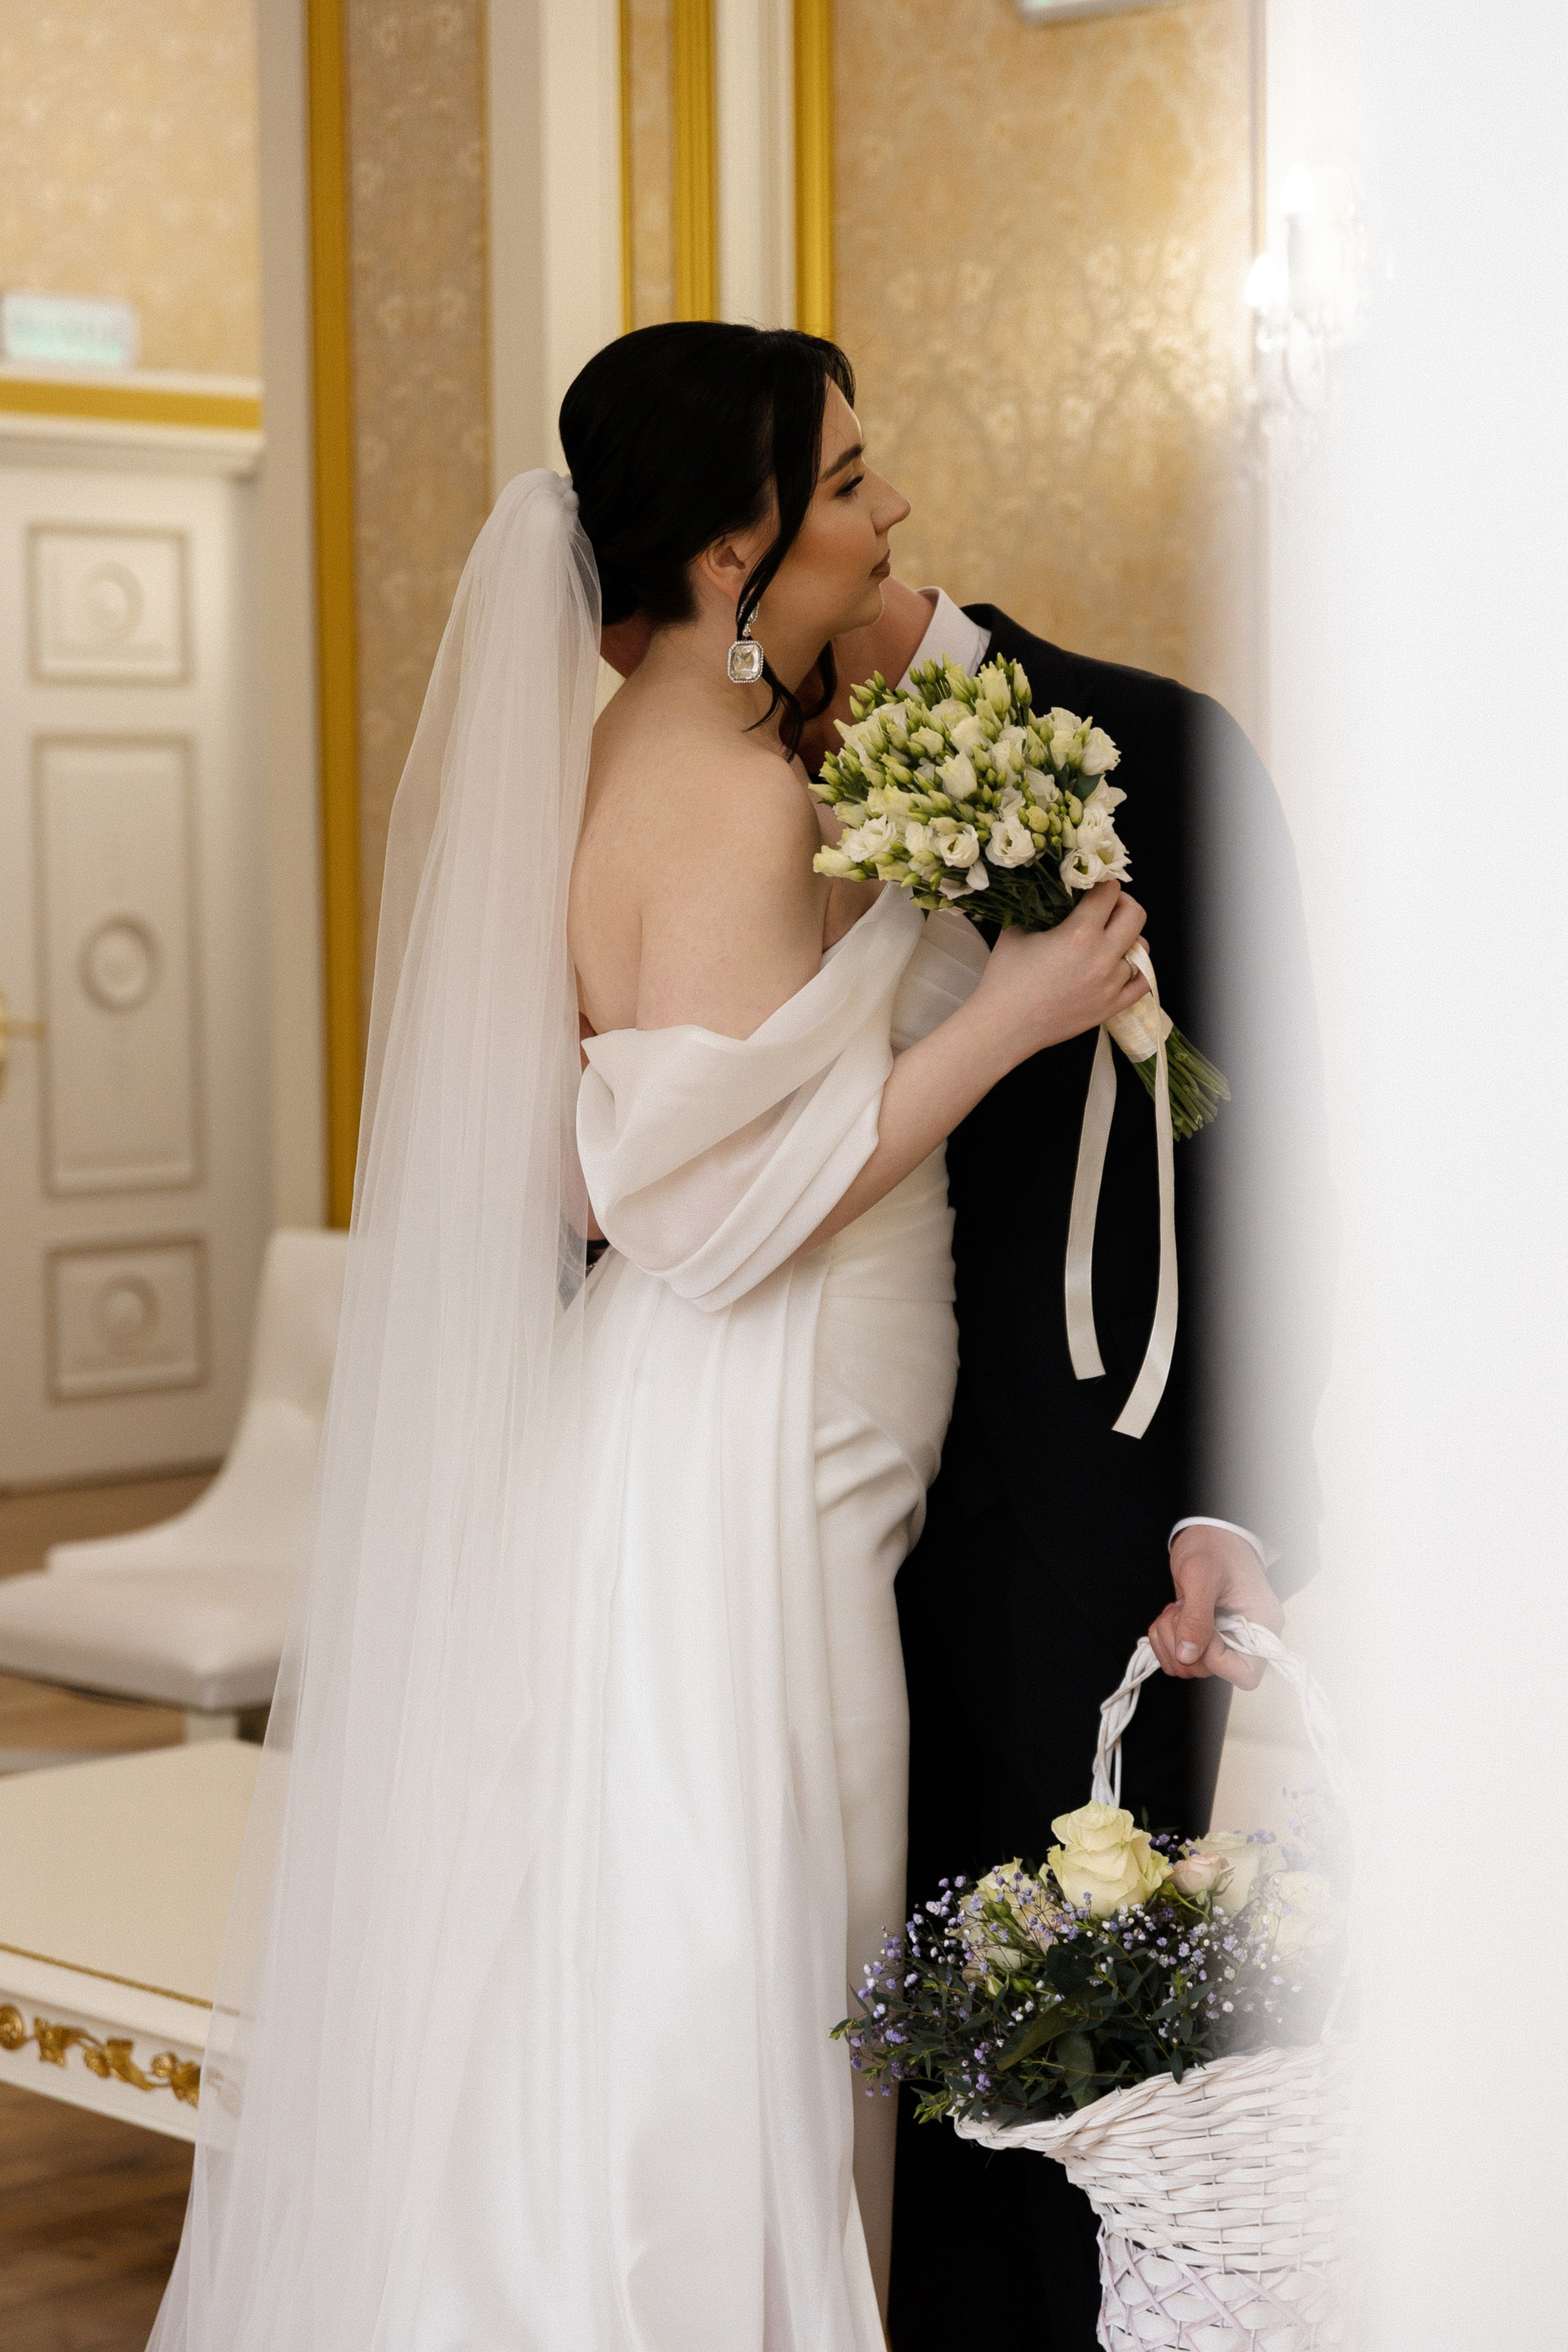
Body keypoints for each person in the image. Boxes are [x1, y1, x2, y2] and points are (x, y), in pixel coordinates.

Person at [147, 325, 1162, 2352]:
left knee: (676, 1940)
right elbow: (698, 1222)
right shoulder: (727, 798)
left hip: (727, 1433)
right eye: (849, 482)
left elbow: (598, 1173)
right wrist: (1011, 1013)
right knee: (755, 1950)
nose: (892, 507)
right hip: (753, 1455)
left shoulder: (644, 755)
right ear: (728, 553)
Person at [791, 578, 1330, 2347]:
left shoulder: (1157, 748)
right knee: (848, 2031)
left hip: (1084, 1525)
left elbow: (1279, 1148)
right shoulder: (729, 785)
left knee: (1065, 2062)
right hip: (799, 1495)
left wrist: (1233, 1496)